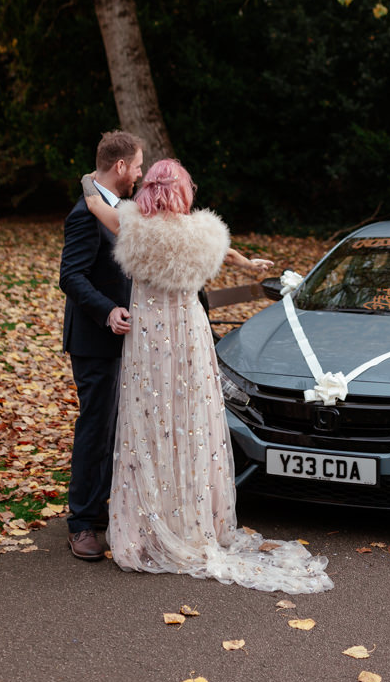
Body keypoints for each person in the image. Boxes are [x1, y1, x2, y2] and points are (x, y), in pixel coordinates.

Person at [82, 159, 332, 594]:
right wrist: (250, 264)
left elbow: (93, 202)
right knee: (192, 422)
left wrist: (90, 177)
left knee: (151, 422)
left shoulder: (133, 225)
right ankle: (197, 521)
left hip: (150, 338)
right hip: (189, 334)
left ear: (149, 192)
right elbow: (227, 251)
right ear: (184, 192)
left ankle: (148, 530)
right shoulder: (205, 233)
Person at [59, 129, 144, 561]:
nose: (141, 173)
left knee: (113, 429)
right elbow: (70, 276)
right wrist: (108, 310)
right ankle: (82, 523)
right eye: (138, 165)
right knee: (95, 429)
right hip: (95, 339)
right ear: (121, 166)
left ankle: (102, 509)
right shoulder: (84, 214)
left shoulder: (118, 208)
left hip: (121, 339)